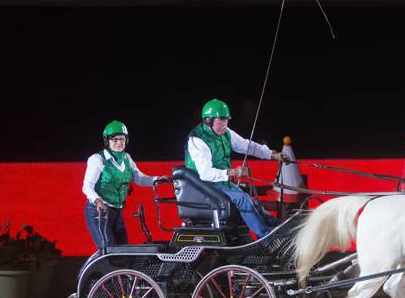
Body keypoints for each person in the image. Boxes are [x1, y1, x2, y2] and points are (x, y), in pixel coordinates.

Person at [185, 98, 288, 238]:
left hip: (221, 182)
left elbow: (246, 146)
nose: (224, 124)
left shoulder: (225, 132)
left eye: (226, 120)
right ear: (208, 120)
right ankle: (266, 237)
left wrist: (271, 154)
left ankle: (279, 229)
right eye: (221, 120)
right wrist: (232, 172)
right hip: (203, 186)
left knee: (251, 201)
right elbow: (205, 173)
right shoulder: (197, 139)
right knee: (242, 198)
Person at [82, 120, 163, 249]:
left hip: (117, 211)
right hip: (99, 212)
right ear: (107, 141)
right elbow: (87, 186)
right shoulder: (97, 159)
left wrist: (158, 179)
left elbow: (140, 178)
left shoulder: (127, 158)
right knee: (109, 251)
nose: (119, 142)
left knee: (123, 251)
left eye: (122, 139)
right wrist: (97, 200)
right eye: (115, 139)